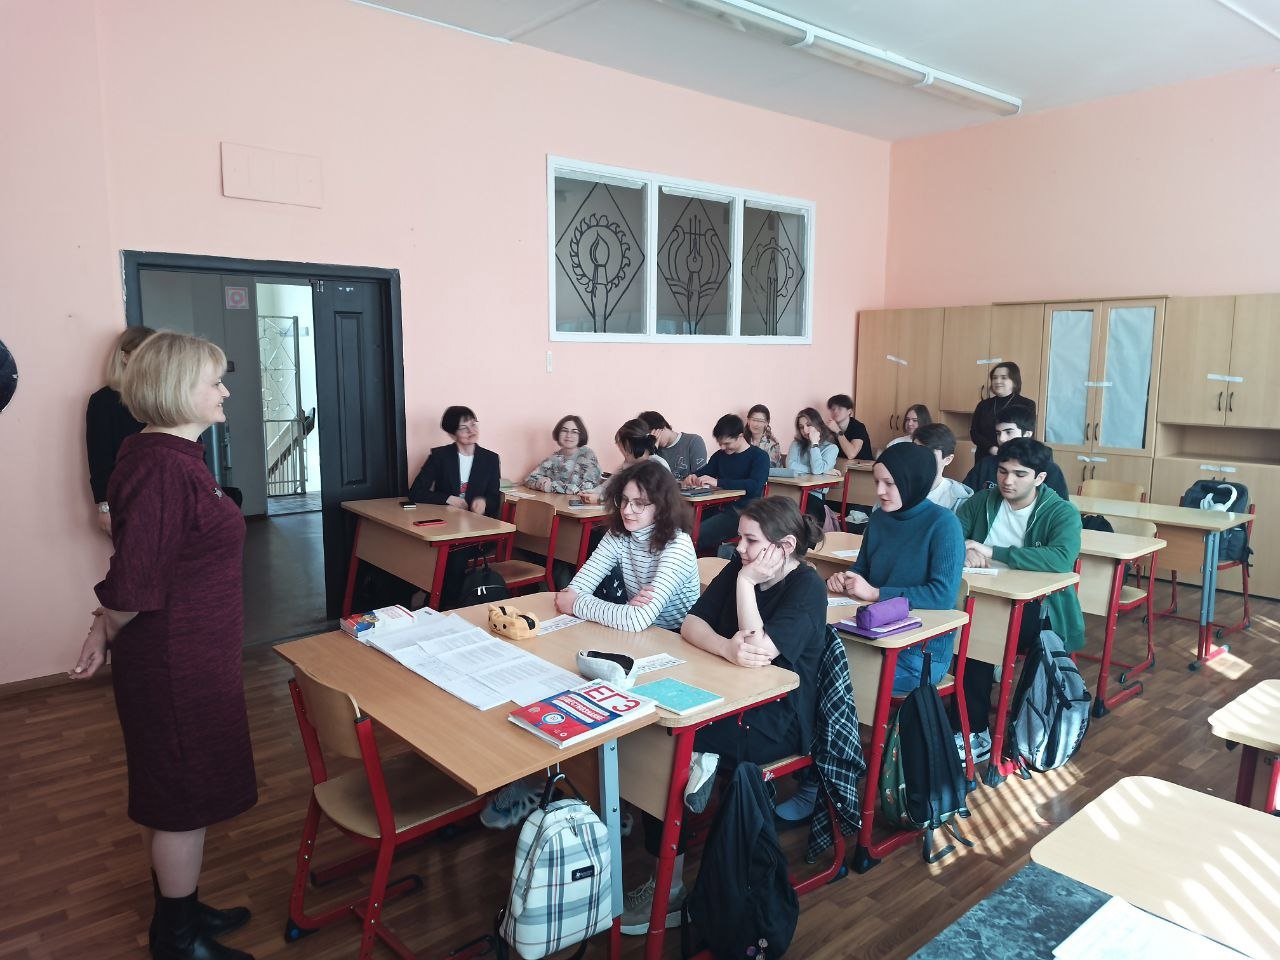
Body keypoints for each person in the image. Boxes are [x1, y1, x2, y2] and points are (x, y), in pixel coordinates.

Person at [70, 331, 256, 960]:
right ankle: (176, 941)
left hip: (189, 654)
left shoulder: (168, 457)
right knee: (181, 802)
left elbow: (142, 560)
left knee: (177, 794)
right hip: (176, 663)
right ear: (179, 389)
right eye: (214, 381)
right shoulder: (163, 467)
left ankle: (183, 910)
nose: (224, 392)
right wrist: (107, 626)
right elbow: (134, 584)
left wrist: (101, 624)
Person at [620, 496, 827, 935]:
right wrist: (724, 647)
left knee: (670, 747)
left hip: (778, 719)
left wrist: (747, 584)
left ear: (785, 546)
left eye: (751, 541)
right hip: (728, 697)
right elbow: (692, 624)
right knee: (656, 730)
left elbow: (757, 649)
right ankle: (692, 775)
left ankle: (669, 889)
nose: (740, 548)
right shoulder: (739, 566)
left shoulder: (806, 588)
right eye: (741, 539)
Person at [954, 437, 1084, 762]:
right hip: (983, 599)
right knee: (963, 627)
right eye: (1002, 471)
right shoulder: (982, 501)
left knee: (977, 635)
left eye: (1019, 474)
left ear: (1040, 477)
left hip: (1040, 609)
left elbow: (1061, 558)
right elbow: (950, 536)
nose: (1008, 480)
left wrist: (991, 551)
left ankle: (980, 731)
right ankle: (970, 727)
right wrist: (964, 551)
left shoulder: (1061, 512)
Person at [827, 444, 964, 695]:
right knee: (813, 664)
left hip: (920, 652)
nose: (880, 491)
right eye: (877, 482)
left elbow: (942, 596)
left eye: (889, 483)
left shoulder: (944, 524)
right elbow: (862, 569)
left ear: (913, 482)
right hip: (871, 634)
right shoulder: (879, 519)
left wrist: (876, 593)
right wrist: (845, 579)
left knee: (833, 678)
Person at [555, 461, 699, 631]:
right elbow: (572, 592)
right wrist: (625, 612)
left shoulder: (678, 545)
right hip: (631, 630)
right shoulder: (619, 533)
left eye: (639, 503)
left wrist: (577, 604)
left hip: (673, 636)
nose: (626, 511)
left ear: (662, 507)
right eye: (624, 500)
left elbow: (637, 620)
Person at [86, 326, 156, 535]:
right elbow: (99, 456)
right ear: (125, 357)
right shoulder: (103, 401)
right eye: (143, 353)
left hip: (172, 493)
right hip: (130, 500)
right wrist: (104, 506)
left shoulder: (165, 397)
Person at [681, 414, 769, 554]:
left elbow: (754, 486)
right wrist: (693, 476)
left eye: (727, 443)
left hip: (743, 513)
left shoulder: (760, 457)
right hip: (716, 507)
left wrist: (718, 482)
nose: (723, 447)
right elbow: (706, 471)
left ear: (740, 436)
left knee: (696, 534)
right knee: (681, 528)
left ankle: (699, 562)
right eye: (720, 443)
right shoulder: (720, 455)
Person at [408, 405, 501, 517]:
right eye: (463, 428)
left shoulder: (491, 459)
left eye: (473, 424)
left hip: (477, 521)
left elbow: (494, 498)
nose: (471, 431)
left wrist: (484, 502)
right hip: (447, 520)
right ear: (452, 434)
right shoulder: (440, 456)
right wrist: (448, 499)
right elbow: (416, 492)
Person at [963, 408, 1069, 500]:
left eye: (1008, 432)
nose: (1001, 438)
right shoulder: (985, 464)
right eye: (998, 433)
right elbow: (964, 498)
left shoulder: (1050, 469)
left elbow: (1059, 509)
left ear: (1027, 434)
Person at [580, 419, 669, 504]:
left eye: (619, 445)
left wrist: (600, 499)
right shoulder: (628, 465)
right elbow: (607, 487)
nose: (619, 450)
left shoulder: (656, 465)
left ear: (627, 445)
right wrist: (591, 492)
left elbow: (642, 500)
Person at [970, 362, 1036, 457]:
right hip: (984, 455)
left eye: (1004, 377)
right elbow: (974, 432)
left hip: (1014, 456)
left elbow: (1027, 433)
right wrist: (991, 448)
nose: (997, 381)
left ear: (1014, 381)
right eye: (994, 378)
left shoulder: (1027, 404)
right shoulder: (983, 405)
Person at [525, 414, 602, 495]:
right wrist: (540, 483)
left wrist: (550, 486)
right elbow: (529, 479)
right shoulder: (555, 458)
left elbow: (587, 488)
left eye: (574, 432)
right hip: (557, 501)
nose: (568, 435)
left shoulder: (588, 456)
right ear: (558, 433)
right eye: (564, 431)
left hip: (580, 502)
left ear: (580, 435)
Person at [786, 407, 839, 520]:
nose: (805, 430)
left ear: (818, 424)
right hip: (791, 491)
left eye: (809, 425)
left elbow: (817, 470)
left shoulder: (831, 448)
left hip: (814, 495)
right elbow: (790, 466)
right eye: (801, 427)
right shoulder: (796, 444)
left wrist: (814, 444)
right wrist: (823, 471)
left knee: (803, 514)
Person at [912, 423, 974, 512]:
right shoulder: (899, 489)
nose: (919, 458)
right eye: (915, 450)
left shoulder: (958, 501)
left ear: (948, 459)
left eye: (929, 453)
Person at [638, 410, 707, 481]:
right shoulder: (653, 450)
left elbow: (700, 478)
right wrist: (652, 451)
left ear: (662, 427)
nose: (652, 440)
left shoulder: (693, 441)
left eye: (652, 435)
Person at [826, 393, 872, 460]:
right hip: (841, 464)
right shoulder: (831, 427)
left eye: (839, 408)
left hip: (862, 465)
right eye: (833, 409)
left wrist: (837, 430)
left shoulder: (858, 427)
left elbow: (851, 454)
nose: (835, 411)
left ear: (849, 411)